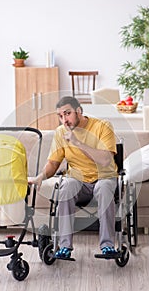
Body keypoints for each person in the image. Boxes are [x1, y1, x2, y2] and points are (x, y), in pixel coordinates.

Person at [29, 96, 118, 259]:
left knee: (104, 188)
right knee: (67, 186)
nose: (64, 120)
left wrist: (77, 143)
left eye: (67, 113)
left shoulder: (102, 126)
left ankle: (107, 246)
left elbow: (105, 160)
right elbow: (53, 163)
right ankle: (64, 246)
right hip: (78, 181)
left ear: (79, 111)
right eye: (60, 116)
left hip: (104, 177)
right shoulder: (60, 132)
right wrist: (41, 176)